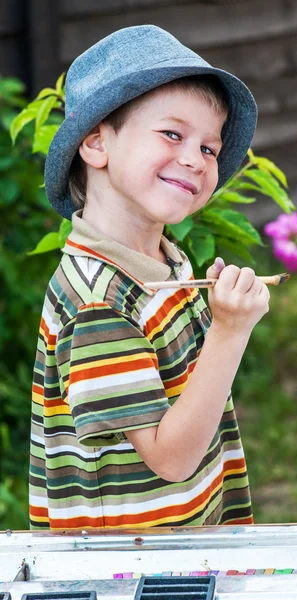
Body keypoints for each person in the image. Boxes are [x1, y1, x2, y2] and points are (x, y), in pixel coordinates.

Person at [29, 25, 270, 530]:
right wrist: (229, 331)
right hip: (133, 567)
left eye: (209, 147)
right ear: (96, 143)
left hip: (182, 541)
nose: (195, 159)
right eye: (173, 134)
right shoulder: (98, 302)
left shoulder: (164, 262)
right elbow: (170, 460)